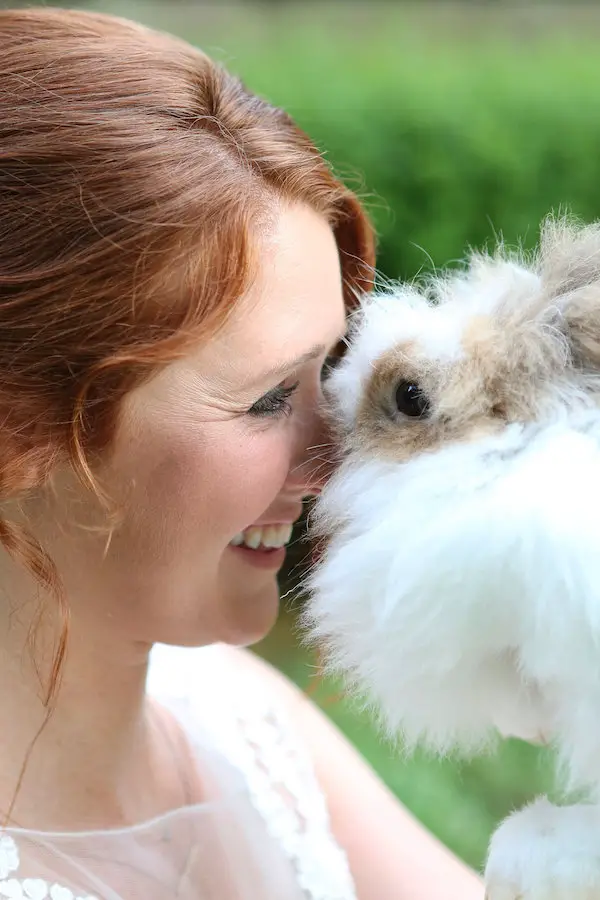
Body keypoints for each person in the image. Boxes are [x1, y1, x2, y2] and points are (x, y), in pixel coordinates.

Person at [0, 7, 484, 898]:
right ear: (21, 425)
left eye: (333, 376)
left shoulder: (244, 724)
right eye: (268, 399)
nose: (337, 461)